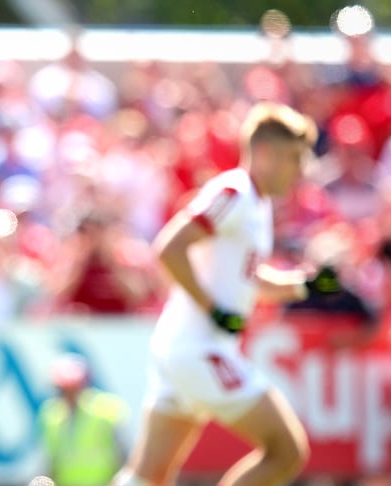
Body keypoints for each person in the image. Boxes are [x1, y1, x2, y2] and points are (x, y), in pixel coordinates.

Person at [111, 102, 320, 486]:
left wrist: (304, 284)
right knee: (286, 451)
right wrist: (214, 311)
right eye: (294, 157)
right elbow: (169, 247)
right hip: (201, 349)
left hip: (182, 348)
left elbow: (248, 281)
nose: (301, 169)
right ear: (266, 152)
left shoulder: (256, 203)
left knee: (148, 476)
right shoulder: (234, 191)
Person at [37, 353, 129, 486]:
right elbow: (50, 461)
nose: (68, 395)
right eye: (63, 389)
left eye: (73, 388)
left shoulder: (108, 410)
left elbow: (124, 455)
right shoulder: (51, 415)